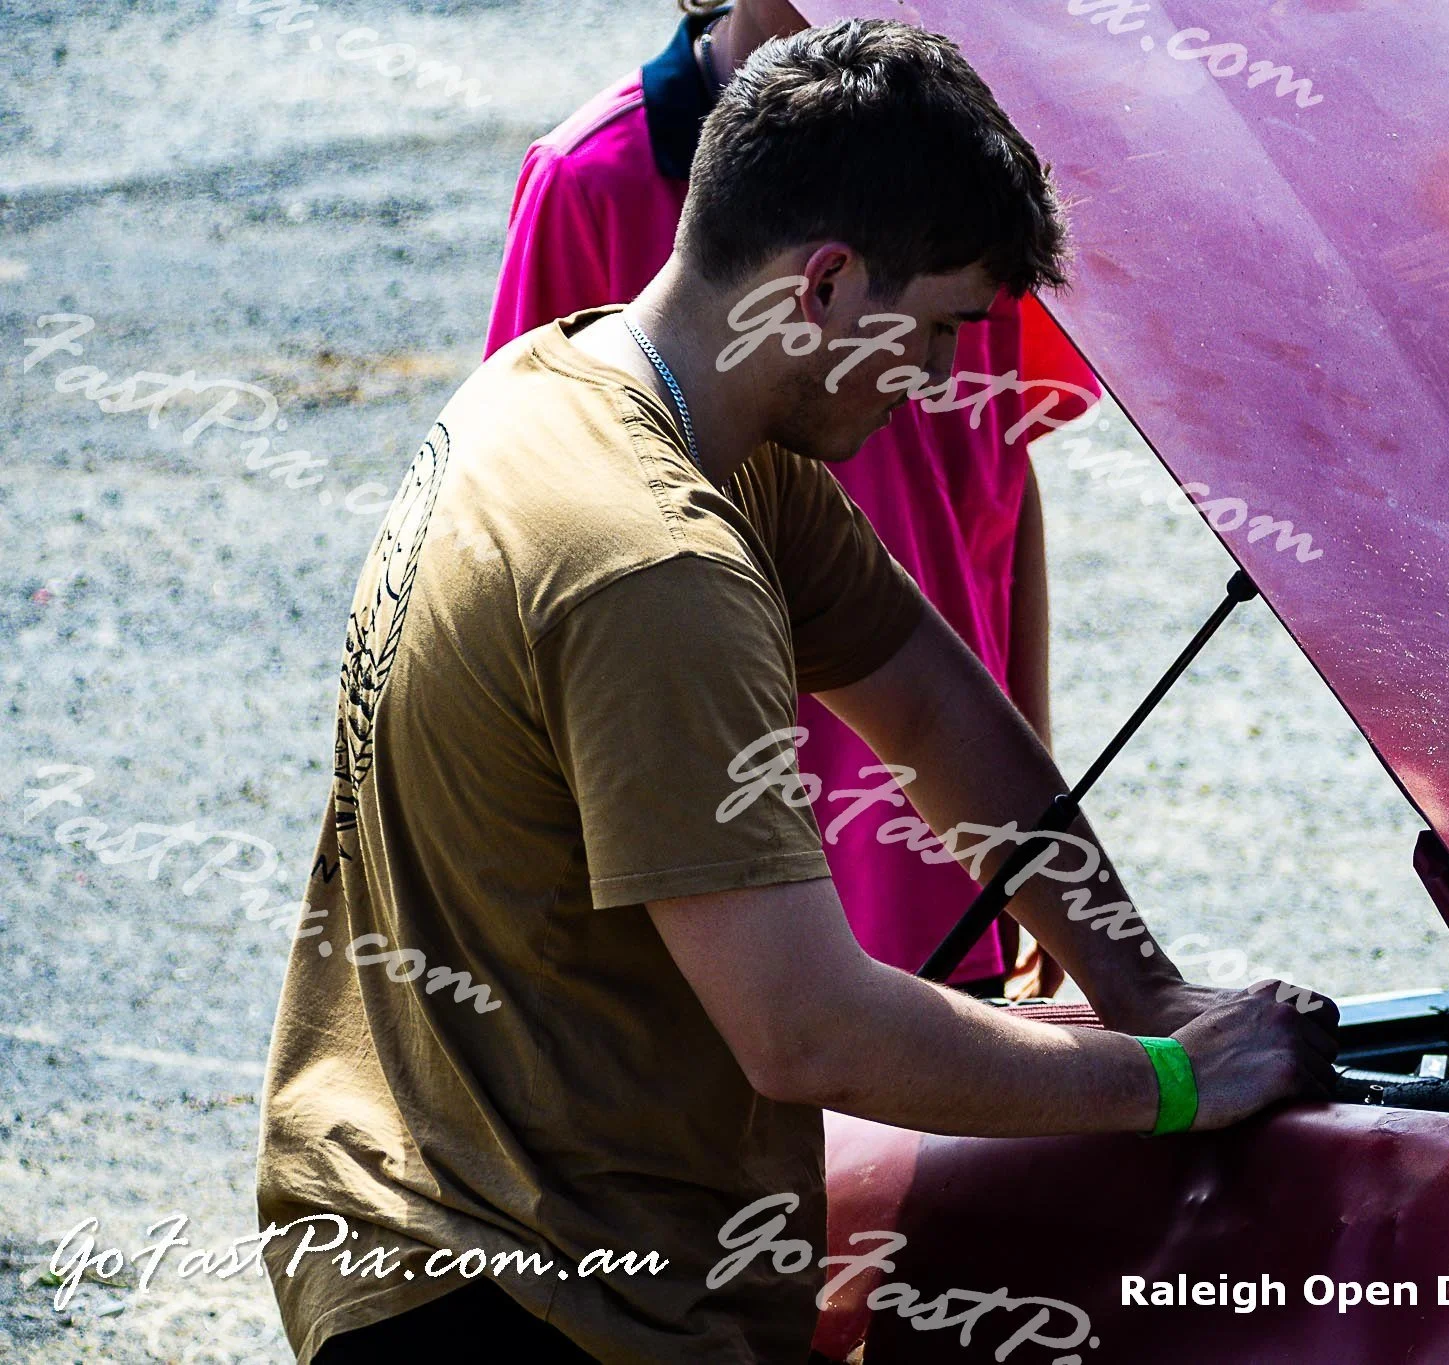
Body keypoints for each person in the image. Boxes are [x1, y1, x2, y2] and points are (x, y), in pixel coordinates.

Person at [258, 20, 1336, 1364]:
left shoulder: (583, 389)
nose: (939, 383)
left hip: (450, 1214)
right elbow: (806, 1032)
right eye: (934, 330)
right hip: (514, 1300)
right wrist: (1168, 1080)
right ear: (823, 283)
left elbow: (933, 705)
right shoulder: (653, 564)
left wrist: (1145, 989)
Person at [486, 0, 1093, 998]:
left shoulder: (968, 174)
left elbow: (1000, 479)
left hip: (942, 843)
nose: (935, 372)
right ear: (823, 280)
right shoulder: (588, 181)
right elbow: (527, 543)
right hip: (710, 883)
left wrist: (1038, 827)